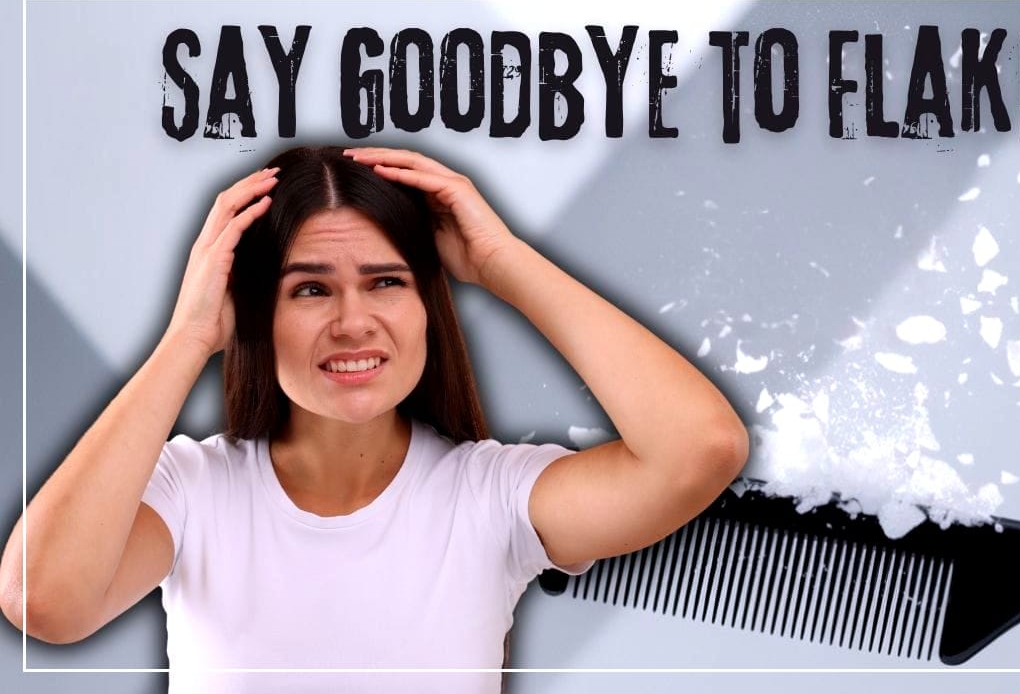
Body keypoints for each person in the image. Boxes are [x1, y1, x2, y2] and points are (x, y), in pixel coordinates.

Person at [0, 145, 749, 692]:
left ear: (427, 304)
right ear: (253, 312)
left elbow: (701, 448)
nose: (354, 323)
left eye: (386, 282)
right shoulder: (192, 491)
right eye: (309, 290)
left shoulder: (487, 498)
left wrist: (501, 260)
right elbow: (44, 599)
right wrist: (187, 337)